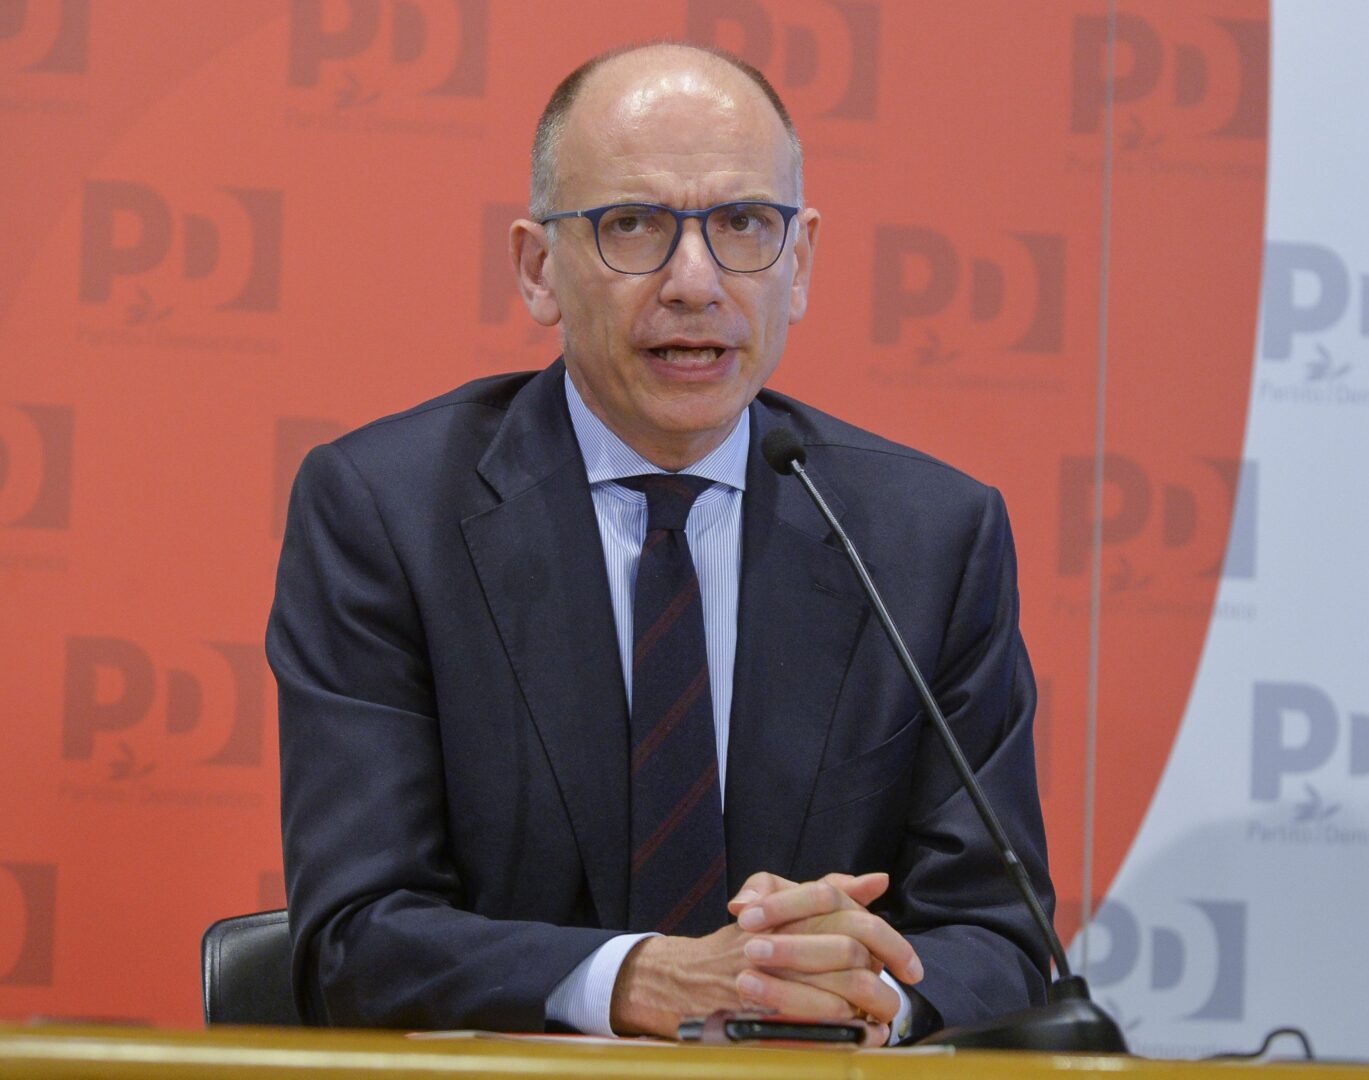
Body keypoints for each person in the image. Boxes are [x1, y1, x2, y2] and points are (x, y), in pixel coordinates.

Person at [269, 42, 1053, 1044]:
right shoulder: (387, 513)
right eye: (632, 224)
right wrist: (637, 979)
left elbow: (1000, 938)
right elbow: (354, 939)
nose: (694, 281)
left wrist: (866, 995)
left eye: (743, 224)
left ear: (800, 264)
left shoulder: (929, 539)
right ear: (537, 270)